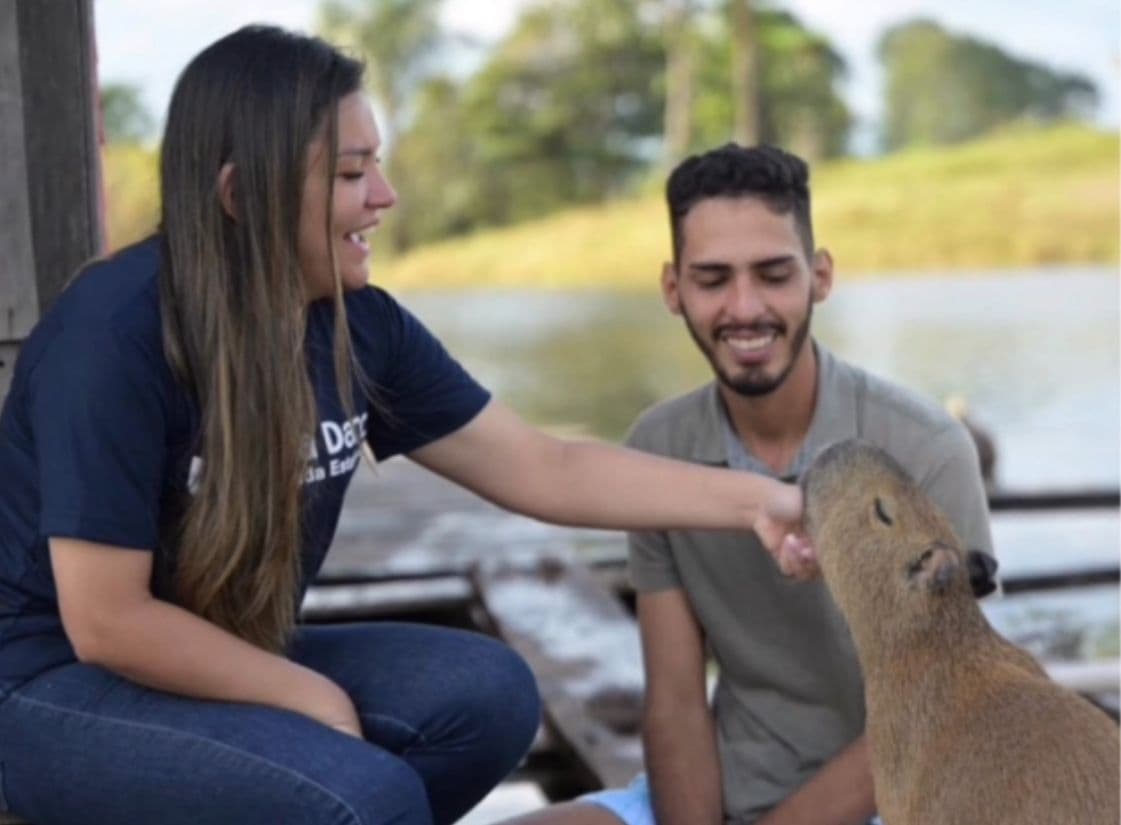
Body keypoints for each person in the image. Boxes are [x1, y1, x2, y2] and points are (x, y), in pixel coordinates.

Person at [0, 27, 814, 825]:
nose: (384, 197)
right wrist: (305, 694)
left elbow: (544, 467)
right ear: (242, 196)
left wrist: (754, 500)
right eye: (353, 172)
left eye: (377, 165)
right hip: (47, 684)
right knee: (365, 796)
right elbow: (106, 620)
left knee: (487, 697)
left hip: (217, 656)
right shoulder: (114, 334)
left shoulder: (359, 326)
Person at [503, 145, 994, 825]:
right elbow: (674, 701)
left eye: (772, 274)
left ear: (818, 276)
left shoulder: (926, 448)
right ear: (673, 289)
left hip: (907, 797)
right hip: (729, 789)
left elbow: (938, 707)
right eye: (712, 279)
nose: (744, 307)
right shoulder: (660, 448)